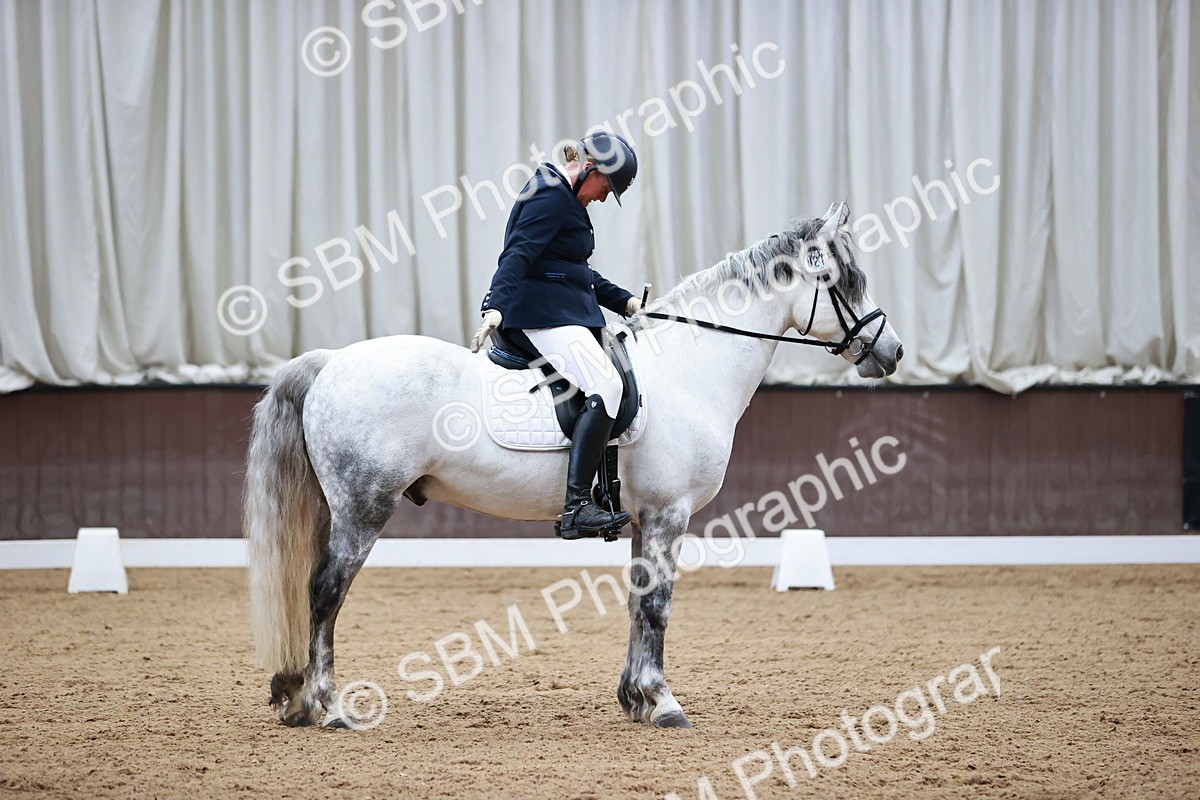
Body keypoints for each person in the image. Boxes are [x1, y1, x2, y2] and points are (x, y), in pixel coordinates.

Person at [469, 132, 642, 540]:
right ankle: (578, 506)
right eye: (606, 188)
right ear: (591, 169)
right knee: (607, 384)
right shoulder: (549, 196)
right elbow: (518, 253)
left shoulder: (564, 196)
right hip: (540, 315)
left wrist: (627, 302)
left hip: (559, 309)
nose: (603, 198)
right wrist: (496, 304)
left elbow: (576, 273)